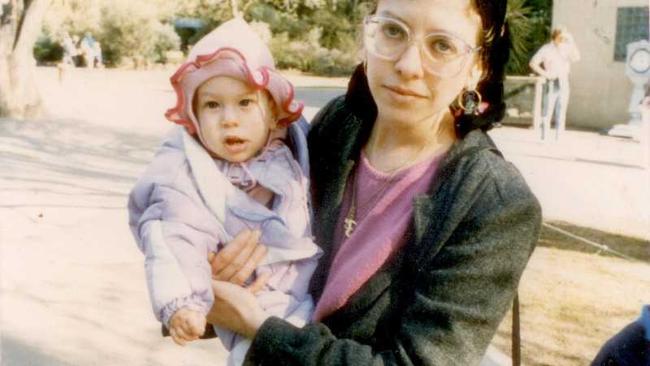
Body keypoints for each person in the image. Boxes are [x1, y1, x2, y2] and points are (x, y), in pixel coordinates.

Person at [203, 0, 542, 365]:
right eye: (393, 31)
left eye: (442, 45)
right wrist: (219, 277)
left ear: (477, 66)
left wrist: (260, 326)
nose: (408, 65)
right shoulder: (339, 125)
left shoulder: (493, 202)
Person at [128, 18, 321, 366]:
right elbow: (171, 239)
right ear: (193, 117)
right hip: (256, 301)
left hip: (309, 293)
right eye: (212, 106)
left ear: (274, 112)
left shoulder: (295, 145)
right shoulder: (185, 176)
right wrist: (182, 302)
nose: (228, 119)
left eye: (245, 103)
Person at [529, 28, 580, 140]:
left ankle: (559, 138)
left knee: (561, 111)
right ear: (555, 37)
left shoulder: (566, 48)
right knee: (547, 111)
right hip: (551, 81)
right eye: (560, 37)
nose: (563, 40)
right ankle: (544, 138)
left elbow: (576, 58)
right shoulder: (546, 49)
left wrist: (571, 42)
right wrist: (545, 74)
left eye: (564, 38)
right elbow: (533, 62)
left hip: (563, 80)